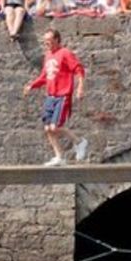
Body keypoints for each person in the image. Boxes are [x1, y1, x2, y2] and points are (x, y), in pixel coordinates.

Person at [22, 29, 88, 167]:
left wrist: (80, 87)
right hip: (50, 96)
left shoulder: (65, 53)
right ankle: (59, 157)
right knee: (47, 128)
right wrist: (31, 86)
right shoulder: (48, 56)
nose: (46, 43)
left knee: (55, 126)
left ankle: (79, 142)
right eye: (45, 41)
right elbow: (44, 77)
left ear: (57, 40)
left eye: (49, 40)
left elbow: (79, 69)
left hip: (62, 95)